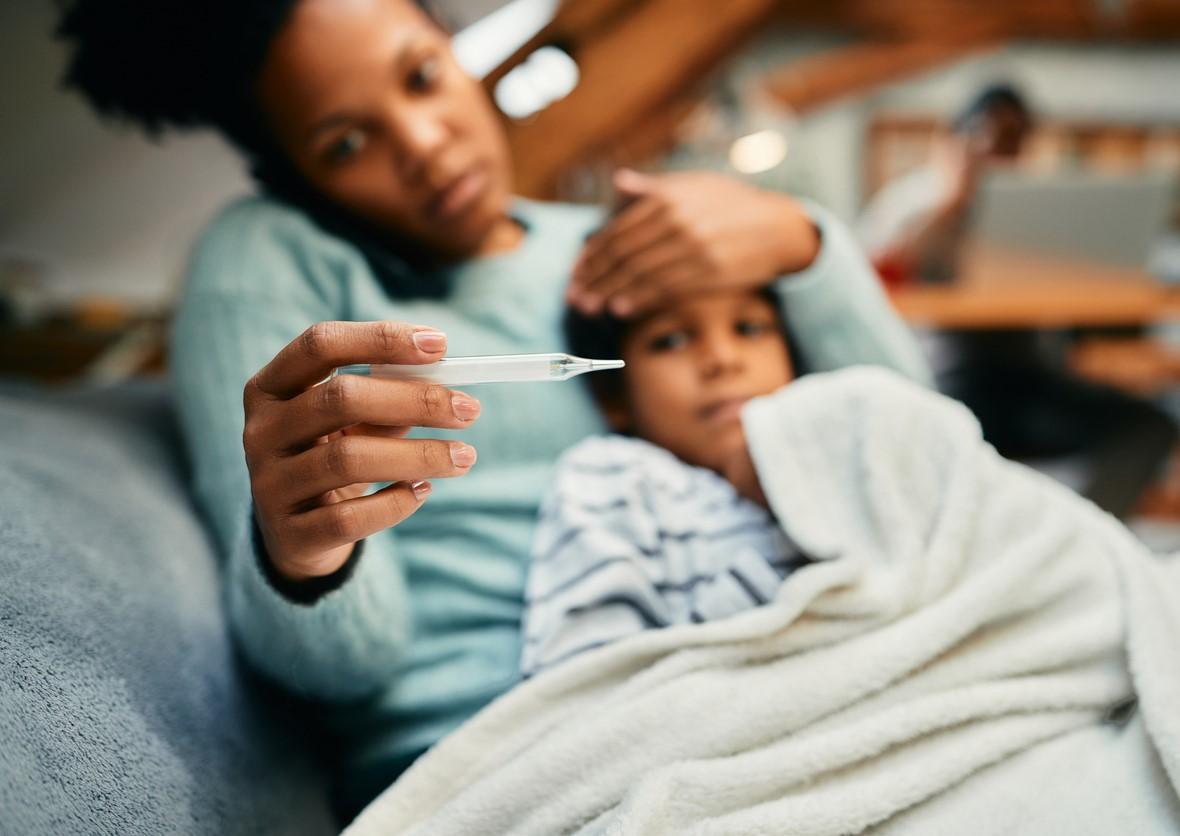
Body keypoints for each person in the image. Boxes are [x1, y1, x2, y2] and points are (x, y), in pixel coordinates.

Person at [58, 0, 929, 819]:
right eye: (348, 141)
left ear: (457, 49)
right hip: (499, 773)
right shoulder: (274, 266)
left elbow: (920, 474)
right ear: (292, 176)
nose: (429, 147)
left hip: (730, 711)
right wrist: (303, 555)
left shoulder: (615, 246)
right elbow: (344, 666)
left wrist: (805, 244)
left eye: (424, 76)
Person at [858, 82, 1176, 518]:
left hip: (1032, 374)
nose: (1000, 152)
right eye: (989, 137)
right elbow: (874, 277)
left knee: (1148, 426)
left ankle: (1081, 531)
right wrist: (957, 197)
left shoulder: (1042, 206)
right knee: (939, 446)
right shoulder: (912, 204)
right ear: (952, 141)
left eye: (1015, 139)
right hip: (949, 378)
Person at [521, 286, 810, 677]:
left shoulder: (842, 448)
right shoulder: (613, 476)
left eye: (749, 328)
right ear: (613, 399)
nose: (723, 360)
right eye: (671, 341)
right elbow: (579, 685)